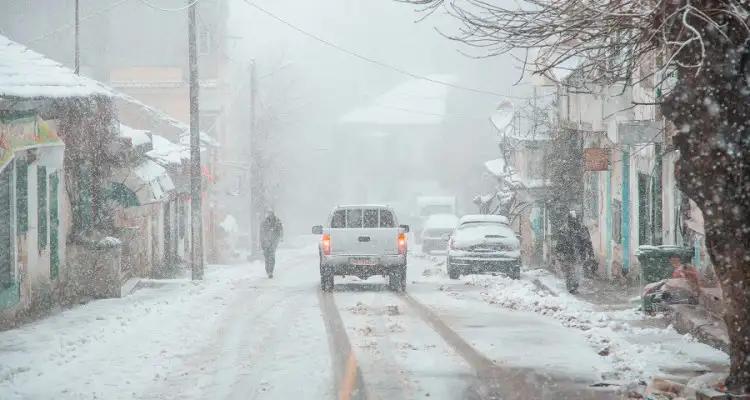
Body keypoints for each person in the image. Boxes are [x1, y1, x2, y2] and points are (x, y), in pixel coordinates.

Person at [554, 211, 580, 293]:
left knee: (575, 271)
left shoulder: (578, 229)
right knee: (569, 271)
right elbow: (559, 243)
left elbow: (582, 241)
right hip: (567, 254)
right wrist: (559, 253)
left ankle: (574, 285)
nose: (573, 221)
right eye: (572, 220)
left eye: (574, 220)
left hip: (574, 254)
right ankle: (570, 287)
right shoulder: (563, 230)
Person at [259, 209, 283, 278]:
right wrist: (262, 242)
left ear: (273, 214)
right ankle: (267, 270)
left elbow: (281, 230)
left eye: (271, 213)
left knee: (271, 255)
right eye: (268, 213)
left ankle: (270, 271)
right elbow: (261, 233)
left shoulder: (277, 221)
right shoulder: (264, 222)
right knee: (266, 256)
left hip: (274, 241)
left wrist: (280, 237)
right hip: (266, 241)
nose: (270, 215)